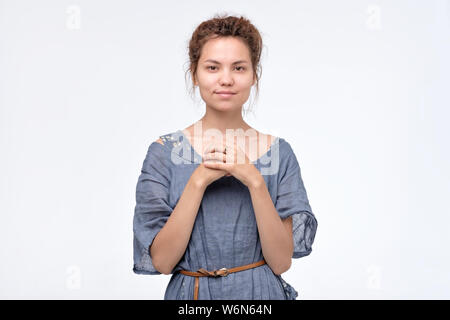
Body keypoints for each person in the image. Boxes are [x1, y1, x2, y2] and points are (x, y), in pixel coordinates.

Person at [132, 14, 318, 300]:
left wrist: (254, 180)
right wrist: (197, 182)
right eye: (212, 67)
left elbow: (281, 262)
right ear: (194, 74)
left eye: (239, 67)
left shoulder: (279, 153)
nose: (226, 79)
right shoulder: (164, 151)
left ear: (254, 74)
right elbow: (163, 261)